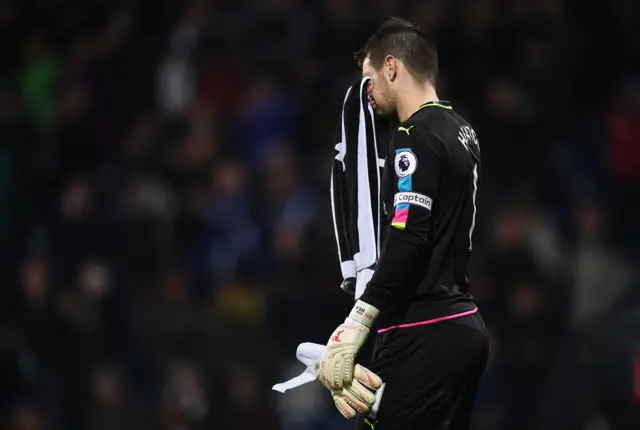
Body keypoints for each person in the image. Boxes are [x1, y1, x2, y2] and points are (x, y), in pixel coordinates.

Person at [317, 17, 489, 430]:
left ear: (391, 67)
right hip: (464, 326)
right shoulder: (462, 130)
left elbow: (409, 236)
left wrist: (358, 321)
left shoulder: (413, 135)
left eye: (370, 80)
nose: (368, 95)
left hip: (422, 329)